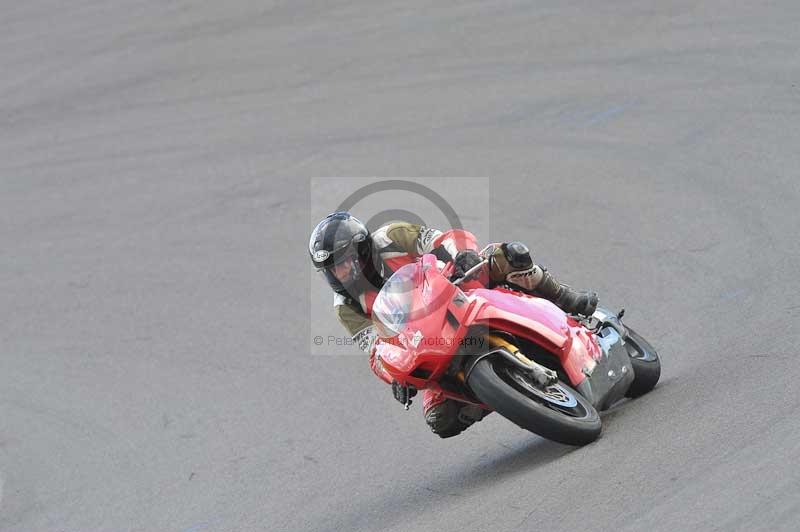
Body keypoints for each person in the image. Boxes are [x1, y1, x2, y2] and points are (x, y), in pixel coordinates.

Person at [309, 211, 598, 438]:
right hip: (428, 340)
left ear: (360, 249)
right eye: (332, 269)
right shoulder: (346, 306)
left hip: (456, 287)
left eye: (345, 262)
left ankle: (564, 297)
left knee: (507, 256)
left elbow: (442, 239)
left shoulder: (390, 237)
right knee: (441, 418)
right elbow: (376, 351)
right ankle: (510, 393)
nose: (341, 273)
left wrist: (461, 254)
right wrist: (395, 377)